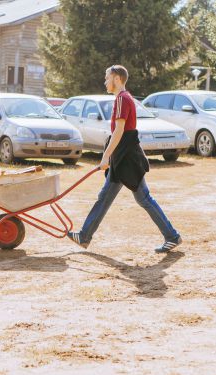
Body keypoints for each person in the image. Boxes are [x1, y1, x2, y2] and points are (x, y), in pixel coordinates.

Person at [67, 65, 182, 253]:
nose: (105, 81)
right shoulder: (124, 98)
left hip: (126, 159)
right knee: (107, 198)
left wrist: (105, 157)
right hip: (123, 157)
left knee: (143, 199)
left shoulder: (122, 99)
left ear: (117, 78)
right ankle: (85, 236)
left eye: (107, 78)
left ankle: (172, 236)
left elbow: (119, 131)